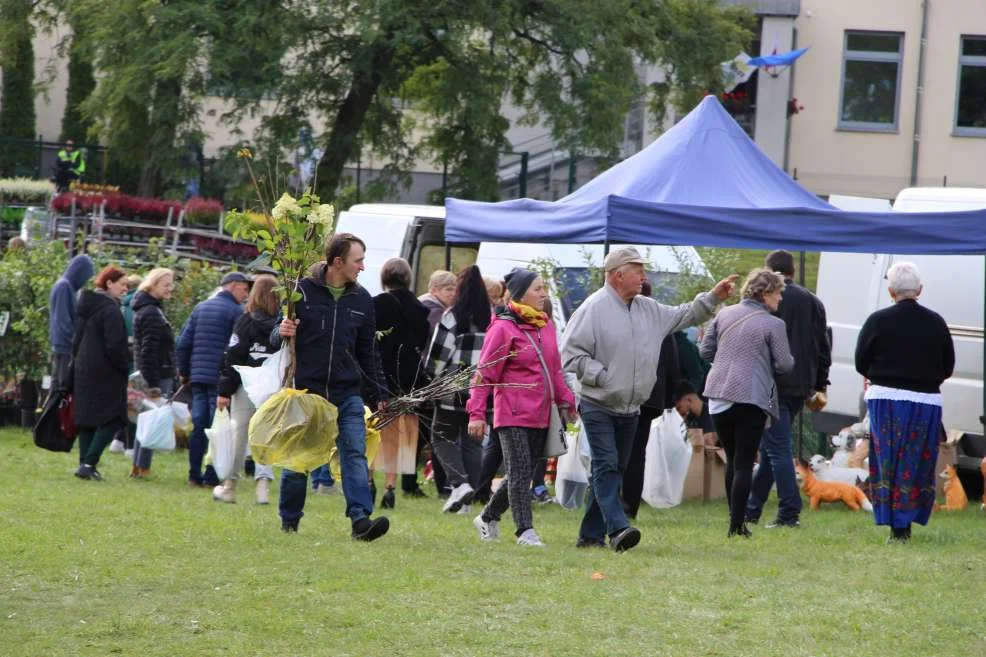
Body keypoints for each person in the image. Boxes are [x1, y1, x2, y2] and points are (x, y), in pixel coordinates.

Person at [561, 247, 736, 551]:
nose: (644, 277)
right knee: (606, 465)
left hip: (631, 407)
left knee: (614, 469)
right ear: (618, 275)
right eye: (638, 271)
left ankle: (589, 538)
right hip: (597, 403)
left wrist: (713, 297)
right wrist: (603, 377)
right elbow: (570, 355)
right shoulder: (593, 309)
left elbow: (684, 314)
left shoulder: (649, 309)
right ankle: (618, 528)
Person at [275, 233, 391, 541]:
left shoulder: (362, 299)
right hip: (307, 392)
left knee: (354, 453)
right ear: (338, 262)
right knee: (301, 460)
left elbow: (368, 351)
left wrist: (380, 393)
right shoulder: (300, 291)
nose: (363, 267)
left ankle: (360, 521)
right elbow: (275, 339)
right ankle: (289, 520)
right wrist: (282, 331)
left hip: (347, 393)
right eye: (358, 260)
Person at [468, 268, 576, 546]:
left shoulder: (546, 325)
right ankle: (525, 531)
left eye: (543, 288)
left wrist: (568, 401)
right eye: (538, 289)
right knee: (518, 471)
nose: (544, 294)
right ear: (520, 294)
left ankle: (488, 517)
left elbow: (554, 370)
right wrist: (477, 414)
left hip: (542, 415)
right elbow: (484, 374)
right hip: (512, 415)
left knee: (524, 472)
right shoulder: (503, 328)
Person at [854, 262, 954, 543]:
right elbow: (948, 365)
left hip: (886, 399)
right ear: (919, 290)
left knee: (888, 459)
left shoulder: (878, 321)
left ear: (890, 291)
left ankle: (895, 526)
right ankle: (906, 520)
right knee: (916, 459)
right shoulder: (936, 322)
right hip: (925, 401)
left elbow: (861, 361)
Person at [700, 268, 794, 538]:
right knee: (743, 463)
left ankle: (736, 520)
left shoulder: (724, 314)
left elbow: (705, 351)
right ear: (765, 293)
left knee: (732, 461)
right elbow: (785, 364)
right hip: (750, 396)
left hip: (718, 395)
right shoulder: (773, 324)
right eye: (777, 293)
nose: (779, 299)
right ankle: (736, 526)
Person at [744, 250, 832, 529]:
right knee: (774, 447)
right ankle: (752, 509)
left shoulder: (764, 299)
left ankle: (789, 512)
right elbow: (823, 345)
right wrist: (819, 383)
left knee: (777, 448)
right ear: (793, 270)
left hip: (771, 382)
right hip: (801, 384)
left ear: (769, 271)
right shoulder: (812, 301)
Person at [426, 264, 491, 513]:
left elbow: (439, 355)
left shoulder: (453, 316)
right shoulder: (491, 317)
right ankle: (464, 501)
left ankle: (458, 484)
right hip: (482, 389)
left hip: (452, 388)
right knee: (472, 444)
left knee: (441, 437)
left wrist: (430, 379)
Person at [176, 271, 250, 488]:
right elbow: (237, 348)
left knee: (199, 425)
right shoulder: (236, 312)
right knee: (218, 427)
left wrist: (184, 372)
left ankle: (193, 475)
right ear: (233, 286)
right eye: (244, 289)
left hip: (198, 377)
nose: (246, 294)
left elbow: (183, 342)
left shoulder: (201, 308)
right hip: (219, 380)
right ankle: (211, 476)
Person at [215, 274, 279, 505]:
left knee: (239, 436)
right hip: (273, 387)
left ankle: (230, 486)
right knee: (266, 436)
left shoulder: (246, 321)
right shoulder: (284, 325)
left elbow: (233, 356)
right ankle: (263, 487)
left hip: (246, 386)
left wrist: (225, 390)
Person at [372, 258, 431, 507]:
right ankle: (390, 485)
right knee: (400, 430)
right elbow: (423, 341)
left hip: (380, 372)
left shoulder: (376, 304)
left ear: (384, 277)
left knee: (374, 427)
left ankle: (366, 479)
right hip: (409, 375)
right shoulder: (419, 308)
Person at [621, 279, 681, 519]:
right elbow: (673, 367)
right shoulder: (661, 324)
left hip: (621, 394)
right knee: (637, 454)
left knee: (615, 452)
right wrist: (668, 399)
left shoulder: (618, 320)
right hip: (650, 399)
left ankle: (611, 502)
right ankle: (630, 505)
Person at [71, 266, 130, 480]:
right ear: (109, 283)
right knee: (115, 417)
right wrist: (124, 366)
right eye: (123, 284)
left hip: (83, 367)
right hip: (106, 370)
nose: (126, 289)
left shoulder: (84, 305)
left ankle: (84, 464)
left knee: (87, 418)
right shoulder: (110, 309)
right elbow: (115, 345)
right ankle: (89, 462)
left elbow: (75, 338)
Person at [129, 268, 177, 477]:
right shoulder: (151, 313)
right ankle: (143, 467)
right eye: (166, 284)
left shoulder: (149, 309)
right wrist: (154, 384)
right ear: (153, 285)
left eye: (171, 284)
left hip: (150, 372)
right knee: (152, 420)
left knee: (145, 419)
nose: (170, 288)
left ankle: (138, 466)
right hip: (155, 374)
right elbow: (148, 350)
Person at [49, 255, 94, 394]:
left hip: (63, 346)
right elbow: (63, 320)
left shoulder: (66, 286)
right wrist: (74, 343)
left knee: (61, 387)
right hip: (65, 347)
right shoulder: (64, 287)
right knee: (62, 389)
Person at [419, 270, 457, 334]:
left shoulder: (424, 302)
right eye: (449, 289)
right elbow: (444, 335)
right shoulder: (432, 310)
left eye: (456, 290)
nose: (454, 294)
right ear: (434, 290)